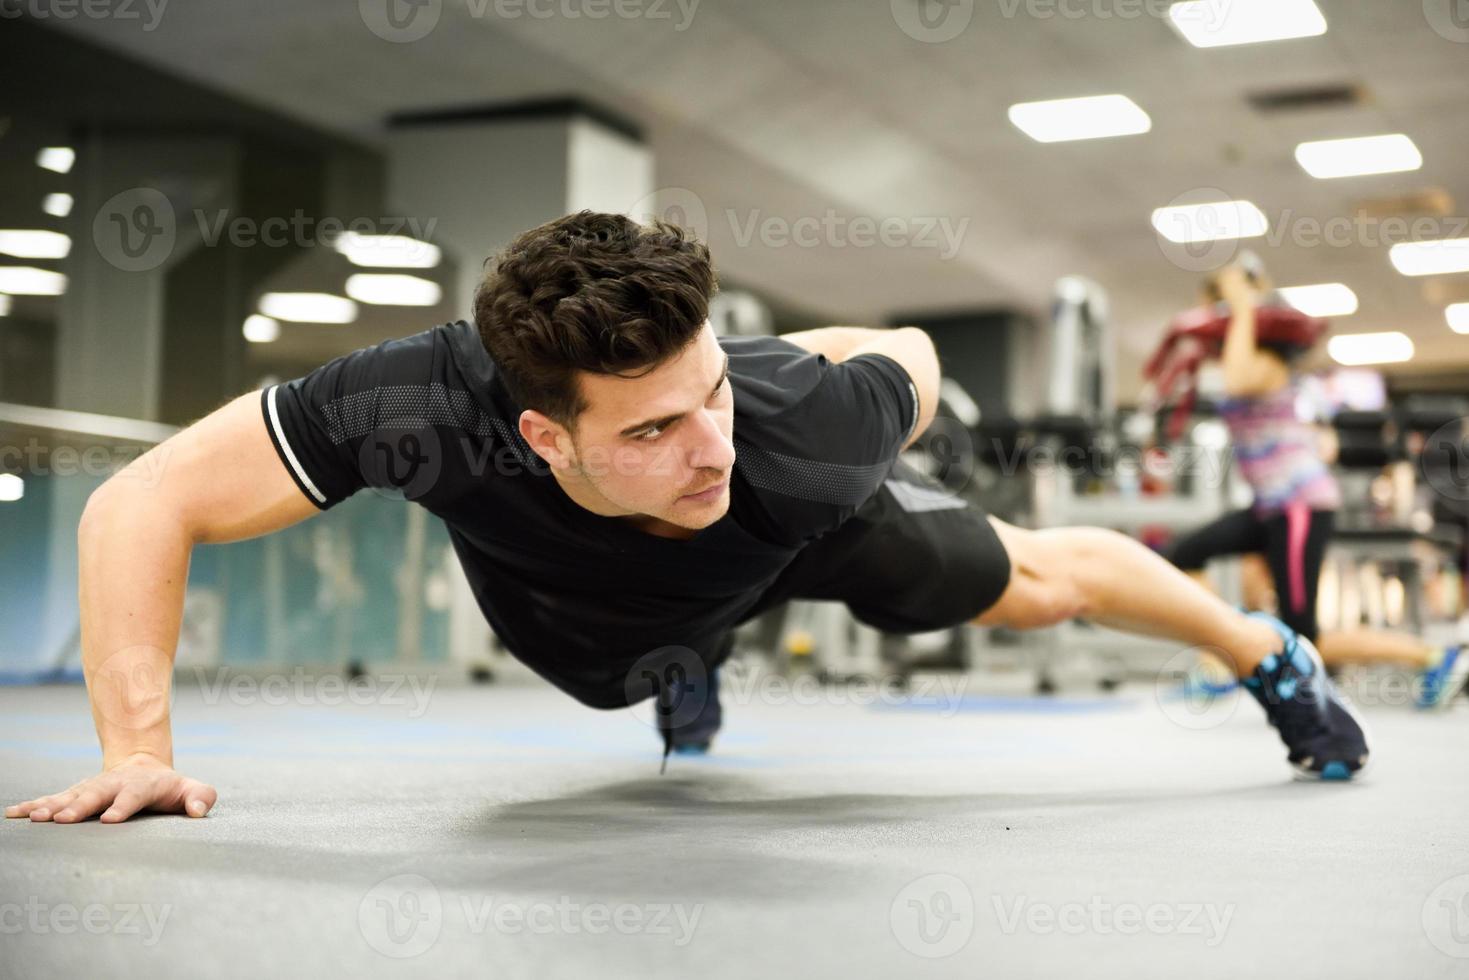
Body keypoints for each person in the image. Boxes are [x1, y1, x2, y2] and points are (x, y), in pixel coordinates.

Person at [7, 213, 1370, 827]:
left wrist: (790, 374)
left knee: (1036, 585)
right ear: (540, 432)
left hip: (807, 539)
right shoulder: (415, 407)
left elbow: (902, 344)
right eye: (652, 427)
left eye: (708, 389)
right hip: (570, 609)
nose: (703, 445)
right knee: (611, 683)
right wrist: (139, 751)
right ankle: (686, 665)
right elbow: (146, 499)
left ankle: (1263, 651)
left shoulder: (790, 436)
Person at [1166, 264, 1466, 710]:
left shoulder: (1264, 363)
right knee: (1182, 556)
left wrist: (1243, 300)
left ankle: (1434, 657)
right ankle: (1221, 658)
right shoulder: (1241, 357)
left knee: (1304, 634)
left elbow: (1237, 380)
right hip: (1270, 506)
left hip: (1299, 505)